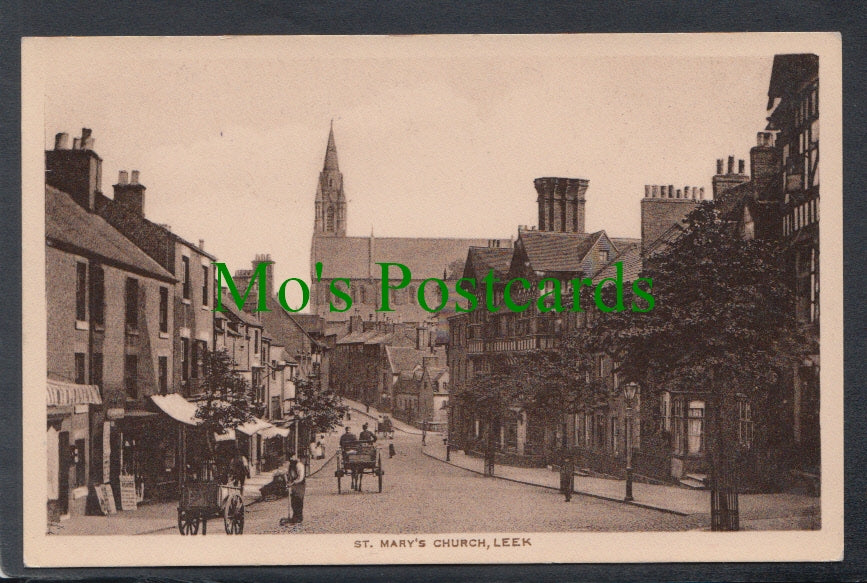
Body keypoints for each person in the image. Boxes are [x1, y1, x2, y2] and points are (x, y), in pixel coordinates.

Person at [285, 454, 306, 524]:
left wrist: (293, 482)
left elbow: (301, 477)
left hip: (300, 485)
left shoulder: (299, 465)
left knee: (299, 500)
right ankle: (295, 516)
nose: (291, 458)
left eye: (293, 457)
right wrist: (288, 481)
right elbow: (288, 474)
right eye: (290, 457)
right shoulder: (290, 465)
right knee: (293, 501)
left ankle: (299, 517)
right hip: (293, 484)